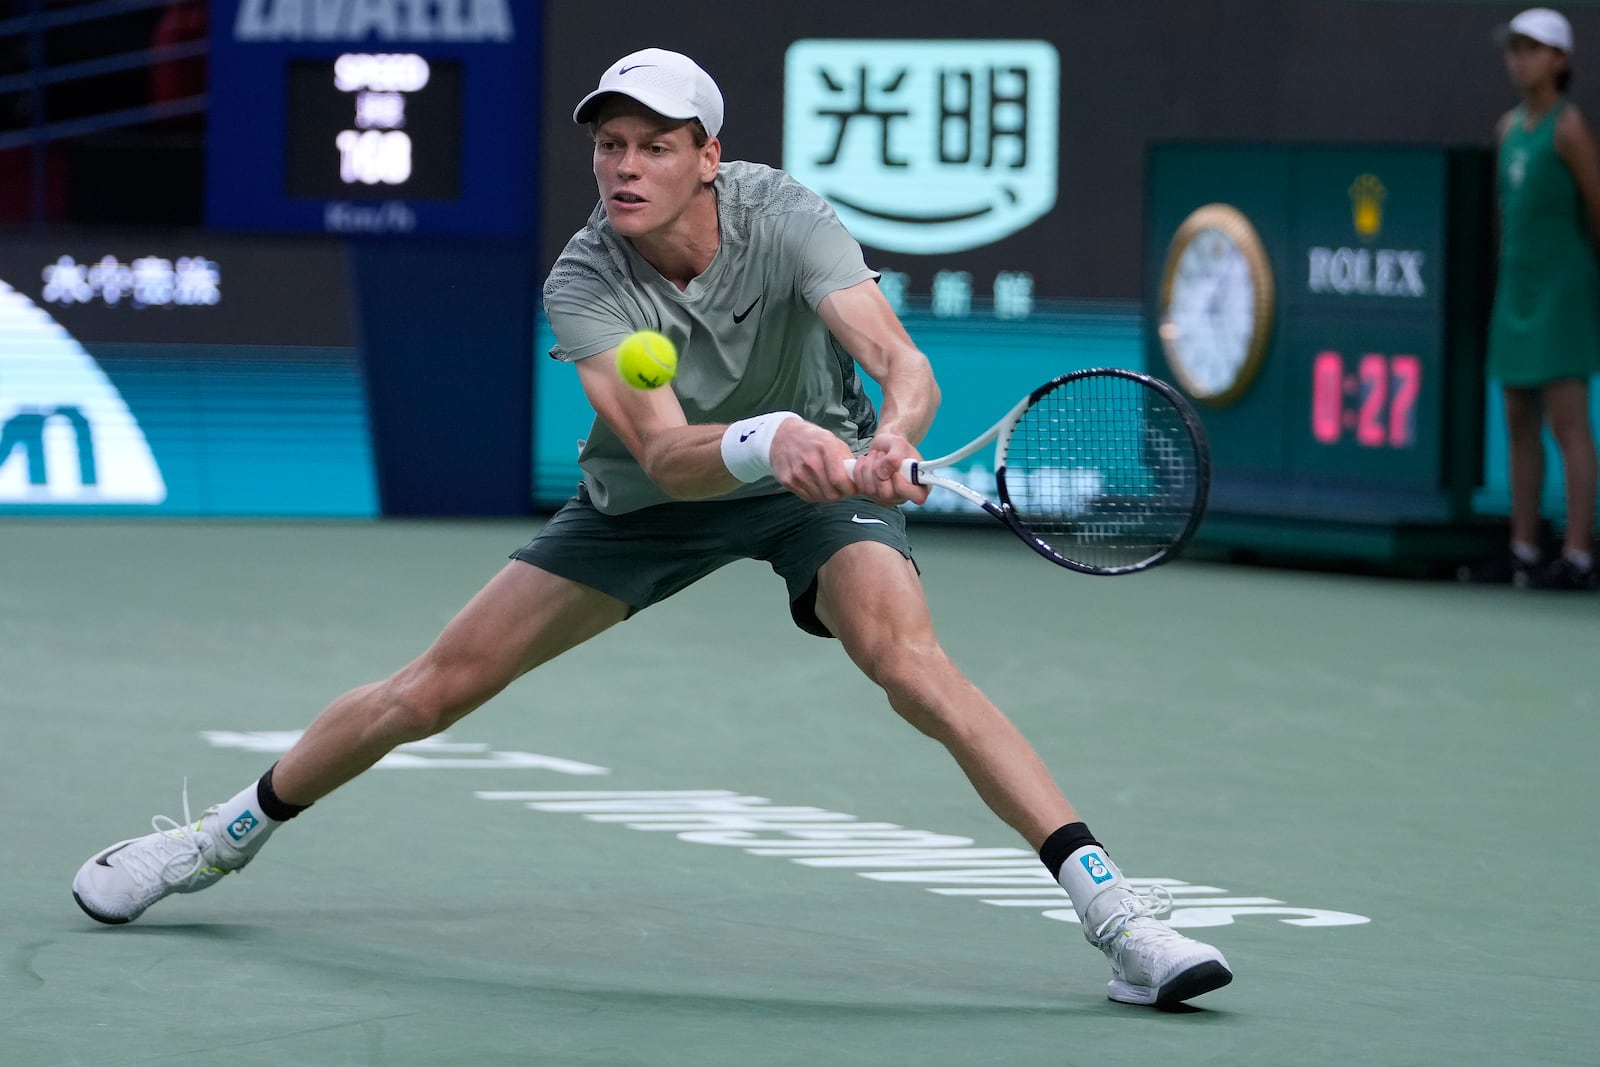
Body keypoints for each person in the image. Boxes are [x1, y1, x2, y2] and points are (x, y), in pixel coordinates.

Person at [71, 48, 1233, 1008]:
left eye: (655, 145)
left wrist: (890, 435)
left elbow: (898, 361)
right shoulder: (585, 280)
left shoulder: (786, 216)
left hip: (814, 487)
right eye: (608, 144)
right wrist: (771, 432)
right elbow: (671, 457)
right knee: (428, 690)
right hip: (648, 505)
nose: (624, 167)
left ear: (707, 157)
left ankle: (1112, 908)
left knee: (911, 663)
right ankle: (217, 837)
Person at [1484, 7, 1600, 589]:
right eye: (1514, 48)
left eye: (1532, 48)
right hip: (1518, 290)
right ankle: (1524, 549)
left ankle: (1578, 554)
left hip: (1564, 291)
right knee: (1516, 418)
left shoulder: (1570, 129)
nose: (1519, 58)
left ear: (1560, 60)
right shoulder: (1507, 130)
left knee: (1567, 422)